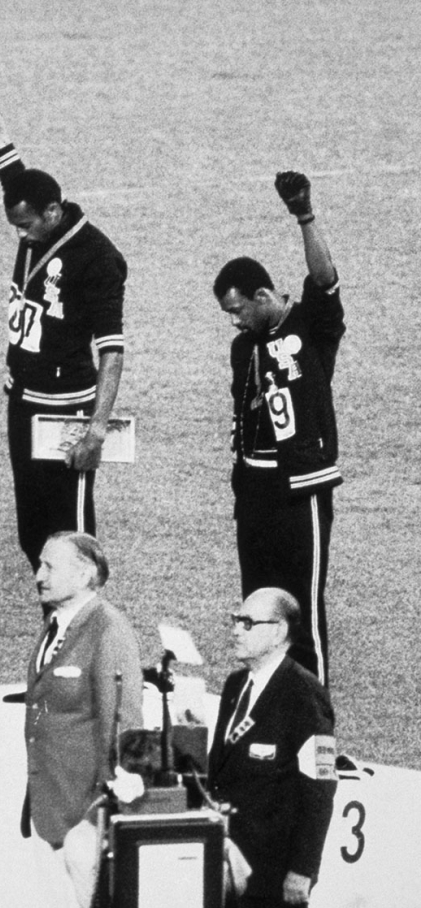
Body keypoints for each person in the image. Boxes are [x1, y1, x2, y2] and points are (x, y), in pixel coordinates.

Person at [0, 19, 128, 570]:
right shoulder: (28, 198)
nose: (21, 236)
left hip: (66, 409)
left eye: (27, 228)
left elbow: (112, 349)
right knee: (31, 535)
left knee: (70, 537)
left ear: (53, 211)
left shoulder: (98, 258)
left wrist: (96, 427)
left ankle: (87, 636)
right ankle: (57, 624)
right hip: (22, 400)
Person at [213, 172, 346, 685]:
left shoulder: (311, 326)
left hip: (299, 488)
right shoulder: (243, 347)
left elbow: (326, 278)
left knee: (303, 612)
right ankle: (270, 714)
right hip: (253, 490)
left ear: (264, 293)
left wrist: (304, 215)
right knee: (259, 607)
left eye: (238, 309)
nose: (234, 321)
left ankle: (319, 733)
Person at [22, 532, 143, 908]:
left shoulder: (109, 630)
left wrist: (101, 812)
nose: (39, 575)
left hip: (85, 815)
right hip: (49, 809)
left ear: (84, 574)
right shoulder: (54, 626)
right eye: (40, 564)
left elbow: (123, 724)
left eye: (49, 566)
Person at [208, 588, 337, 907]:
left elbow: (319, 789)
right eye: (236, 620)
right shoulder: (235, 686)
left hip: (272, 874)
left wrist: (303, 870)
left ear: (279, 631)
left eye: (248, 622)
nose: (236, 630)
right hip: (225, 859)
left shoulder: (305, 695)